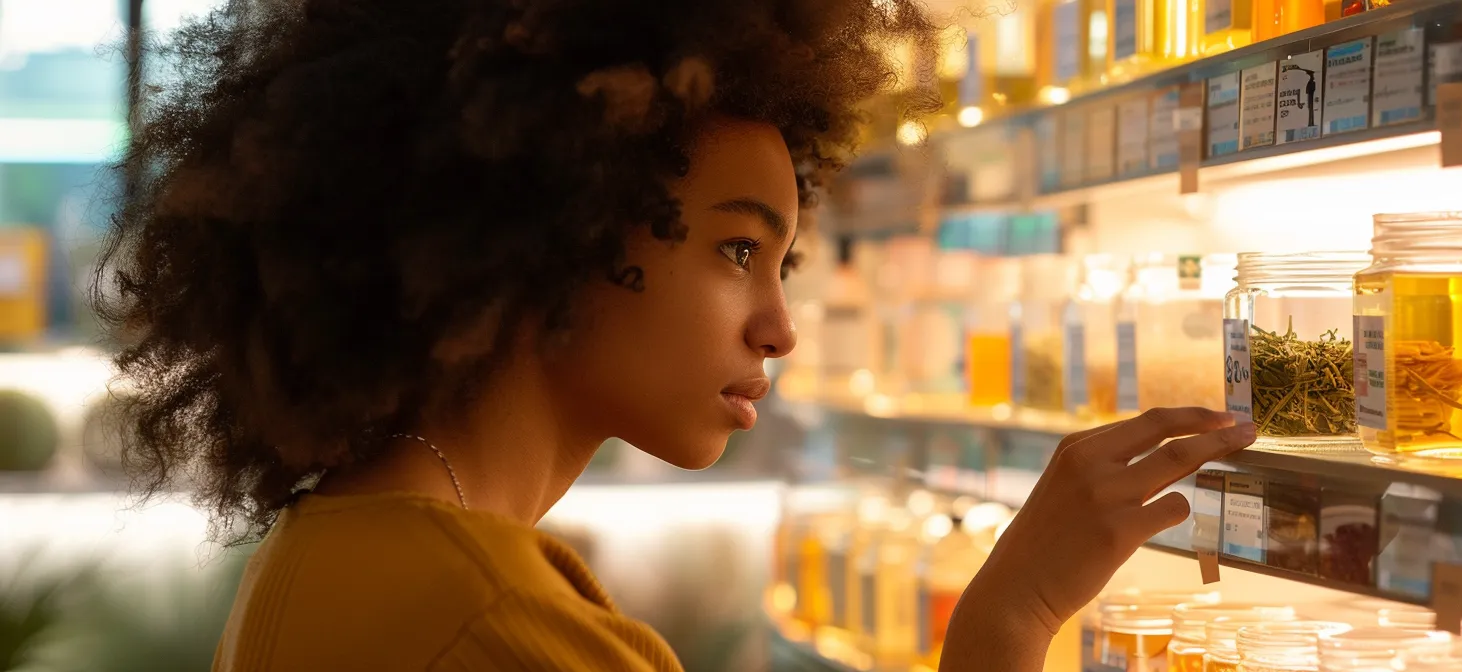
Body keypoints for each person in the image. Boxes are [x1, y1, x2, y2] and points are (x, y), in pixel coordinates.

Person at [97, 0, 1258, 670]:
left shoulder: (351, 540)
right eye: (736, 250)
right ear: (553, 225)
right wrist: (1010, 616)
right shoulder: (490, 620)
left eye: (782, 261)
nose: (780, 326)